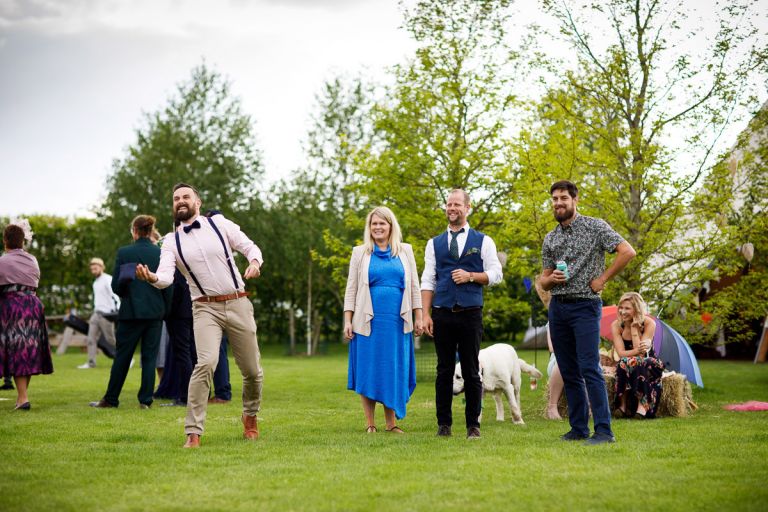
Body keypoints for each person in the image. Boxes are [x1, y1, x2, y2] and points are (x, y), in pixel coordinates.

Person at [135, 183, 264, 448]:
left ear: (198, 202)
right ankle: (193, 432)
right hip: (204, 308)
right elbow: (166, 277)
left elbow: (250, 247)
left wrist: (254, 263)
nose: (180, 201)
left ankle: (250, 416)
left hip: (238, 301)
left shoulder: (219, 224)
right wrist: (152, 278)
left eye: (185, 197)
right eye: (175, 199)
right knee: (205, 363)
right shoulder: (171, 241)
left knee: (252, 370)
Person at [540, 180, 636, 445]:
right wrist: (552, 279)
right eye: (555, 199)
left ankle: (604, 431)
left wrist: (603, 279)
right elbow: (542, 281)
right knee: (568, 369)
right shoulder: (551, 238)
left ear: (575, 200)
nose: (558, 203)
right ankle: (579, 428)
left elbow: (627, 251)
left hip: (585, 306)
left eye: (563, 198)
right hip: (558, 308)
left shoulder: (595, 227)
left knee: (588, 368)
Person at [421, 189, 503, 439]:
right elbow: (428, 279)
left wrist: (471, 276)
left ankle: (473, 426)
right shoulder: (434, 243)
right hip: (442, 313)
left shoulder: (483, 241)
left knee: (471, 370)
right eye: (448, 204)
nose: (451, 208)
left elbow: (496, 274)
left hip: (470, 313)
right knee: (444, 370)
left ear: (468, 208)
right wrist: (425, 314)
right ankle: (444, 424)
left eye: (457, 204)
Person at [344, 206, 422, 433]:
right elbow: (351, 289)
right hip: (367, 322)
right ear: (369, 228)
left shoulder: (405, 251)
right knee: (369, 369)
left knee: (393, 368)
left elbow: (415, 287)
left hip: (397, 323)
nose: (378, 227)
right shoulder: (360, 253)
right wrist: (348, 321)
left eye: (382, 223)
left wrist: (418, 316)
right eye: (374, 224)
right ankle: (370, 424)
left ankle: (391, 424)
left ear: (391, 226)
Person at [89, 215, 172, 409]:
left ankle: (111, 399)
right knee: (150, 357)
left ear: (134, 231)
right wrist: (165, 311)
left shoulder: (125, 252)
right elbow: (168, 286)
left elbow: (116, 286)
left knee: (123, 357)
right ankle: (145, 400)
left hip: (131, 313)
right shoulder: (160, 253)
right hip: (155, 314)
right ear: (151, 231)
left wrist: (128, 288)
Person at [0, 220, 54, 410]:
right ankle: (22, 398)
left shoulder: (2, 261)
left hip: (12, 308)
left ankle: (23, 398)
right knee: (27, 351)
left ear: (5, 240)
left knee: (16, 351)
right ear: (23, 241)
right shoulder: (32, 260)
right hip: (33, 305)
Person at [611, 292, 664, 419]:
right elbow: (621, 353)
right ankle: (622, 407)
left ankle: (642, 407)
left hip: (649, 362)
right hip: (629, 361)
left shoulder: (649, 323)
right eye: (621, 307)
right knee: (624, 362)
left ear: (637, 309)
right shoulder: (617, 325)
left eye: (627, 308)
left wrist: (635, 329)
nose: (622, 312)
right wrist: (636, 352)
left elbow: (642, 354)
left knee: (639, 362)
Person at [78, 257, 119, 369]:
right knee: (91, 339)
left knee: (111, 340)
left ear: (101, 267)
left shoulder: (108, 279)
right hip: (96, 314)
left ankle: (127, 359)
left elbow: (115, 295)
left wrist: (117, 310)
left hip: (107, 315)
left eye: (95, 268)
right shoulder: (95, 282)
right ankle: (91, 363)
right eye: (92, 269)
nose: (93, 271)